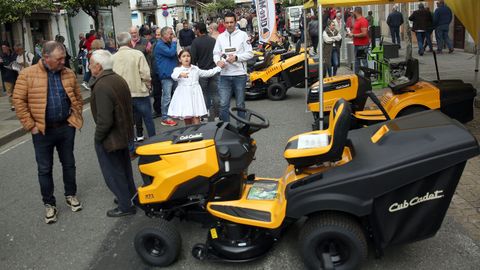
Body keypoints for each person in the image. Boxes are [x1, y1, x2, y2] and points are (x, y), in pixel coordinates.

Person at [13, 41, 84, 224]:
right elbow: (18, 102)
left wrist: (74, 116)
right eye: (59, 59)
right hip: (42, 132)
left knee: (69, 163)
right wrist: (31, 126)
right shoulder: (27, 75)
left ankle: (71, 194)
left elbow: (77, 95)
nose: (63, 62)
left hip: (65, 128)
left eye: (64, 58)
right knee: (44, 169)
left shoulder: (68, 73)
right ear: (46, 57)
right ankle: (49, 204)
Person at [89, 50, 136, 217]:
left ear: (98, 66)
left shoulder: (102, 86)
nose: (88, 66)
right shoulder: (118, 79)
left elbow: (105, 120)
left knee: (114, 172)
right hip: (124, 133)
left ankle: (125, 205)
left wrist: (97, 138)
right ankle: (131, 197)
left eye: (91, 63)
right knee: (124, 168)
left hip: (112, 137)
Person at [112, 32, 155, 144]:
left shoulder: (112, 58)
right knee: (148, 119)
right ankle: (154, 143)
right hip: (139, 92)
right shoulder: (138, 54)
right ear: (129, 41)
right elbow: (145, 74)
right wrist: (148, 85)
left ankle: (131, 147)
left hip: (122, 94)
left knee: (127, 122)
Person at [213, 12, 254, 122]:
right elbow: (216, 53)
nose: (229, 24)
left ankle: (241, 128)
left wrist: (236, 58)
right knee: (223, 104)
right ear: (224, 23)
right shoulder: (220, 37)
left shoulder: (243, 35)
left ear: (236, 22)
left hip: (239, 74)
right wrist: (218, 61)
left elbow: (250, 53)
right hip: (224, 75)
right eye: (227, 22)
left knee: (240, 103)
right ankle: (226, 129)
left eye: (231, 22)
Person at [169, 50, 222, 125]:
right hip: (184, 95)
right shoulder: (177, 69)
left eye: (188, 56)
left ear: (190, 58)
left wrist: (218, 68)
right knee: (187, 118)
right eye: (183, 56)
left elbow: (207, 73)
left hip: (195, 94)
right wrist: (180, 74)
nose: (186, 58)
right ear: (180, 59)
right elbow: (173, 76)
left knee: (196, 117)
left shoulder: (195, 69)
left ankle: (198, 132)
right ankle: (188, 133)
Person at [191, 22, 220, 121]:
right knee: (215, 93)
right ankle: (217, 115)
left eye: (195, 29)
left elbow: (193, 58)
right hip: (214, 70)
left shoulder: (195, 42)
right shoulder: (213, 40)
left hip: (202, 71)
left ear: (198, 30)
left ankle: (205, 114)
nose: (194, 31)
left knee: (203, 93)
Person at [154, 26, 179, 126]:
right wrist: (174, 43)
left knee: (176, 95)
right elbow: (171, 53)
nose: (172, 36)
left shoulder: (167, 44)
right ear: (164, 35)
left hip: (173, 74)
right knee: (167, 97)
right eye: (170, 34)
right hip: (166, 76)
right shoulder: (160, 45)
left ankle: (174, 113)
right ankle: (165, 117)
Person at [346, 7, 370, 74]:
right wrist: (351, 33)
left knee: (363, 61)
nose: (352, 13)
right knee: (357, 61)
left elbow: (364, 33)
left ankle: (366, 77)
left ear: (356, 12)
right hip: (357, 44)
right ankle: (357, 77)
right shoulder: (357, 20)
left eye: (353, 11)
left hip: (362, 44)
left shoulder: (363, 20)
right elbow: (356, 30)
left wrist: (353, 35)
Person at [0, 41, 18, 110]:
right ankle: (13, 105)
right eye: (2, 48)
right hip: (6, 77)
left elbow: (16, 62)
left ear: (8, 47)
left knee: (16, 91)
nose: (3, 49)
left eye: (4, 48)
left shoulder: (14, 54)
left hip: (15, 75)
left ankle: (17, 103)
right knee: (10, 92)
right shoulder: (1, 56)